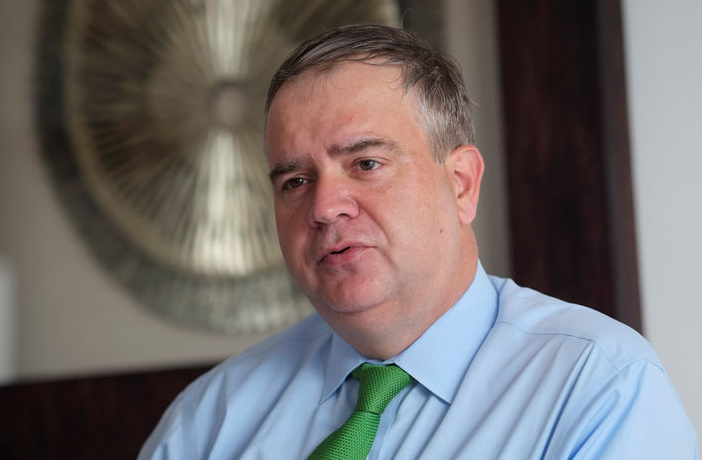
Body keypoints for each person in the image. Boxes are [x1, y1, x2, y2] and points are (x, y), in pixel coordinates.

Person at [139, 24, 698, 459]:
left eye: (366, 162)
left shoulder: (597, 388)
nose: (324, 206)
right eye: (295, 181)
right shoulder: (210, 422)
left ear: (460, 185)